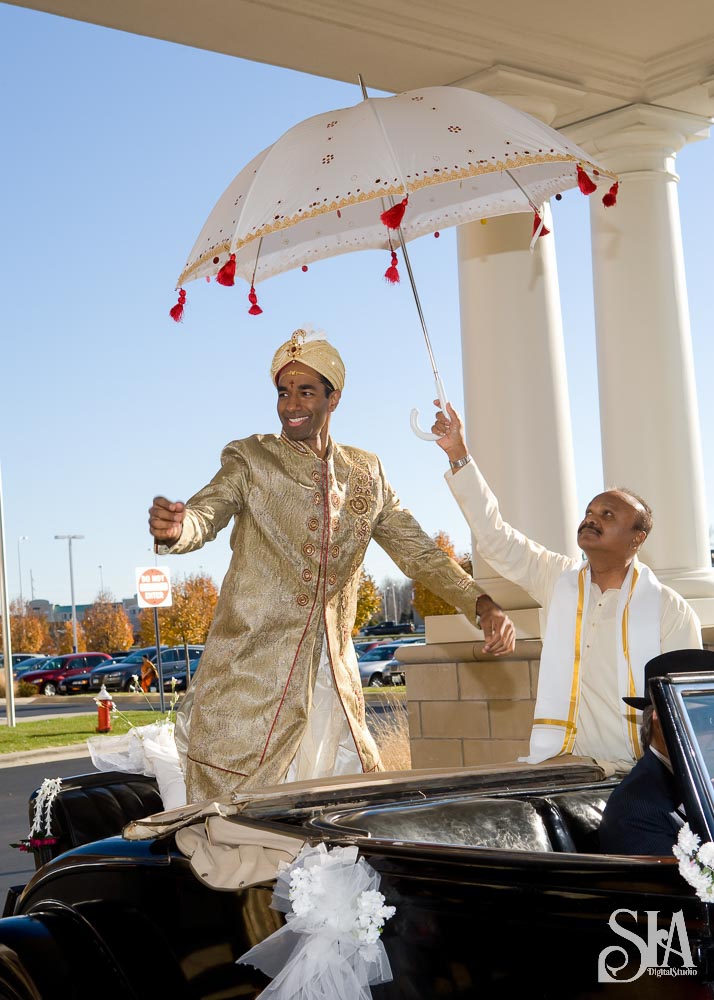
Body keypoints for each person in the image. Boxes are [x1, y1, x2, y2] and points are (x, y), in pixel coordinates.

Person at [148, 328, 516, 803]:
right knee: (239, 823)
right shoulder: (249, 458)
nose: (291, 404)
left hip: (330, 686)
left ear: (333, 398)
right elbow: (205, 514)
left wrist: (480, 602)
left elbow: (418, 552)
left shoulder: (366, 472)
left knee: (335, 813)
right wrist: (178, 530)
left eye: (305, 391)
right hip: (251, 678)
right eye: (283, 392)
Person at [431, 402, 702, 772]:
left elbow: (686, 711)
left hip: (639, 774)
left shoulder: (669, 611)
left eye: (608, 515)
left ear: (637, 539)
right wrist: (459, 456)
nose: (592, 519)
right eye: (590, 512)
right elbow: (495, 538)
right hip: (563, 765)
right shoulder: (557, 580)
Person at [598, 649, 714, 855]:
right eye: (707, 719)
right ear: (661, 722)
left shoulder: (706, 781)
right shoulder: (634, 810)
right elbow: (691, 883)